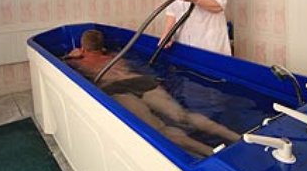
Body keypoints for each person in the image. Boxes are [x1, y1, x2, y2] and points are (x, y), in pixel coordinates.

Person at [65, 29, 240, 156]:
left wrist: (71, 56)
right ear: (102, 46)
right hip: (141, 81)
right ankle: (235, 137)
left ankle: (210, 153)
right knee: (183, 116)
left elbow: (64, 66)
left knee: (161, 129)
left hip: (116, 89)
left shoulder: (77, 61)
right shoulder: (113, 56)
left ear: (83, 47)